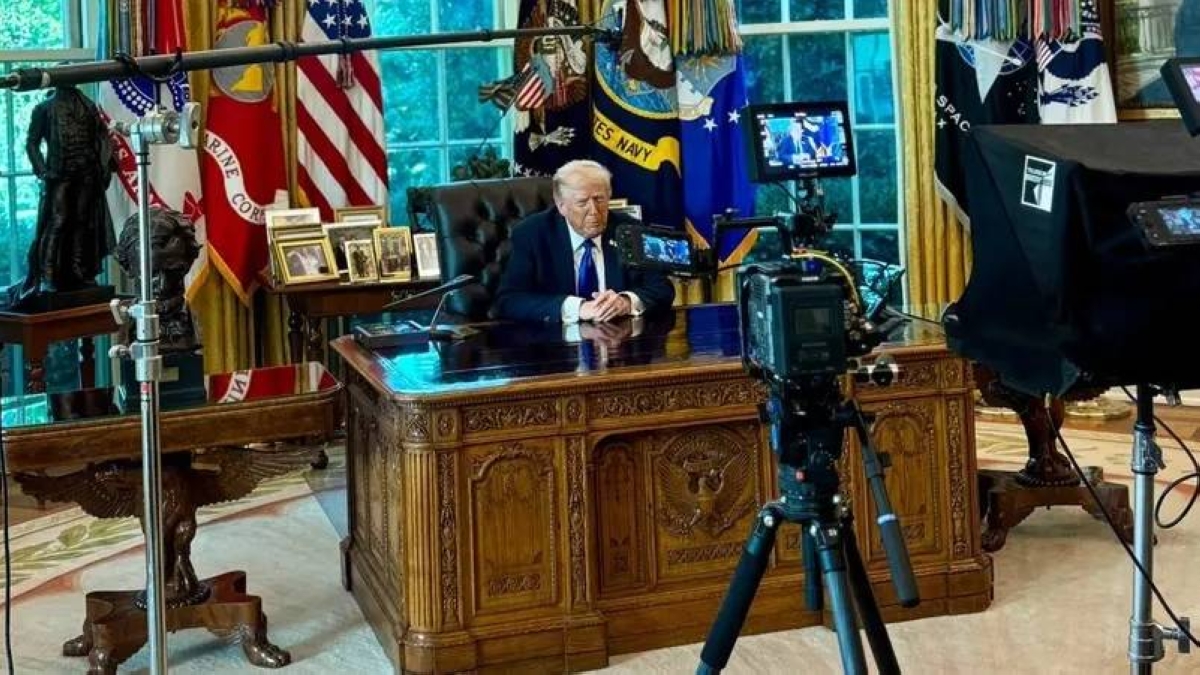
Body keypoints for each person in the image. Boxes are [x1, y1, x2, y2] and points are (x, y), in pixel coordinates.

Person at [495, 159, 675, 323]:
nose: (594, 211)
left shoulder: (629, 230)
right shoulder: (532, 234)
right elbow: (509, 300)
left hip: (619, 337)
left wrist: (626, 302)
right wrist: (577, 308)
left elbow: (662, 289)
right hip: (555, 341)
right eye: (582, 203)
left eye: (599, 199)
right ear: (561, 206)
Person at [11, 82, 116, 306]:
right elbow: (32, 143)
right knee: (58, 222)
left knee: (82, 221)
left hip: (86, 172)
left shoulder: (88, 106)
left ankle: (79, 270)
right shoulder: (44, 108)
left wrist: (103, 163)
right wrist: (43, 170)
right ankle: (48, 274)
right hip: (60, 174)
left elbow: (101, 137)